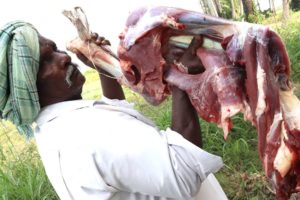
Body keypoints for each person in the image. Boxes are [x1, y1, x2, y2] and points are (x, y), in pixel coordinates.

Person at [0, 21, 226, 200]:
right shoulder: (86, 135)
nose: (64, 57)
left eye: (55, 49)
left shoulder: (58, 128)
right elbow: (184, 170)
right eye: (46, 61)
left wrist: (102, 65)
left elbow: (115, 113)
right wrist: (181, 76)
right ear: (28, 88)